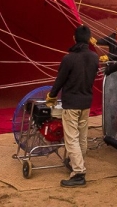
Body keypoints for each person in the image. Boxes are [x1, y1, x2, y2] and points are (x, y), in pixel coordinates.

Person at [47, 25, 99, 187]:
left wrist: (51, 96)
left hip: (72, 104)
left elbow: (60, 81)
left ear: (74, 39)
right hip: (86, 103)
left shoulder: (68, 59)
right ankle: (76, 163)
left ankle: (78, 173)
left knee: (71, 139)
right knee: (82, 137)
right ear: (89, 39)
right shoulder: (94, 57)